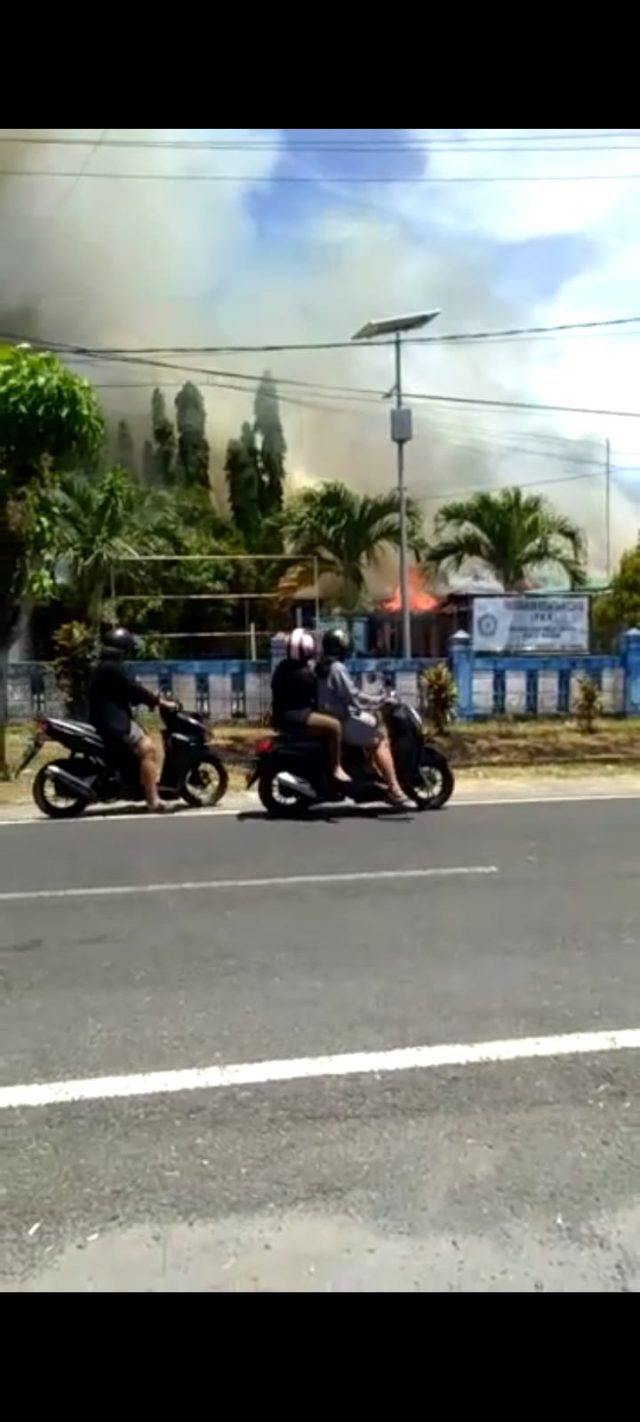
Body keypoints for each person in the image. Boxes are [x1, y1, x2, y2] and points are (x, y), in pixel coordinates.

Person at [316, 628, 413, 809]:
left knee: (371, 723)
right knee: (379, 740)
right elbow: (355, 698)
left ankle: (368, 771)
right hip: (340, 720)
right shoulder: (337, 668)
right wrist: (382, 700)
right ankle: (394, 789)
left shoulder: (322, 665)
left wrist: (372, 703)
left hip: (331, 717)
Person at [88, 626, 176, 813]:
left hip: (105, 720)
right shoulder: (113, 668)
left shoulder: (104, 667)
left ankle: (136, 783)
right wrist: (159, 702)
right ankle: (153, 799)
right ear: (122, 649)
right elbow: (133, 689)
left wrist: (149, 699)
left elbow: (128, 691)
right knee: (148, 749)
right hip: (114, 723)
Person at [271, 628, 351, 784]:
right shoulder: (304, 673)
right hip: (298, 716)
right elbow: (317, 694)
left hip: (283, 715)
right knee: (335, 726)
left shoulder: (283, 667)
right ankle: (336, 767)